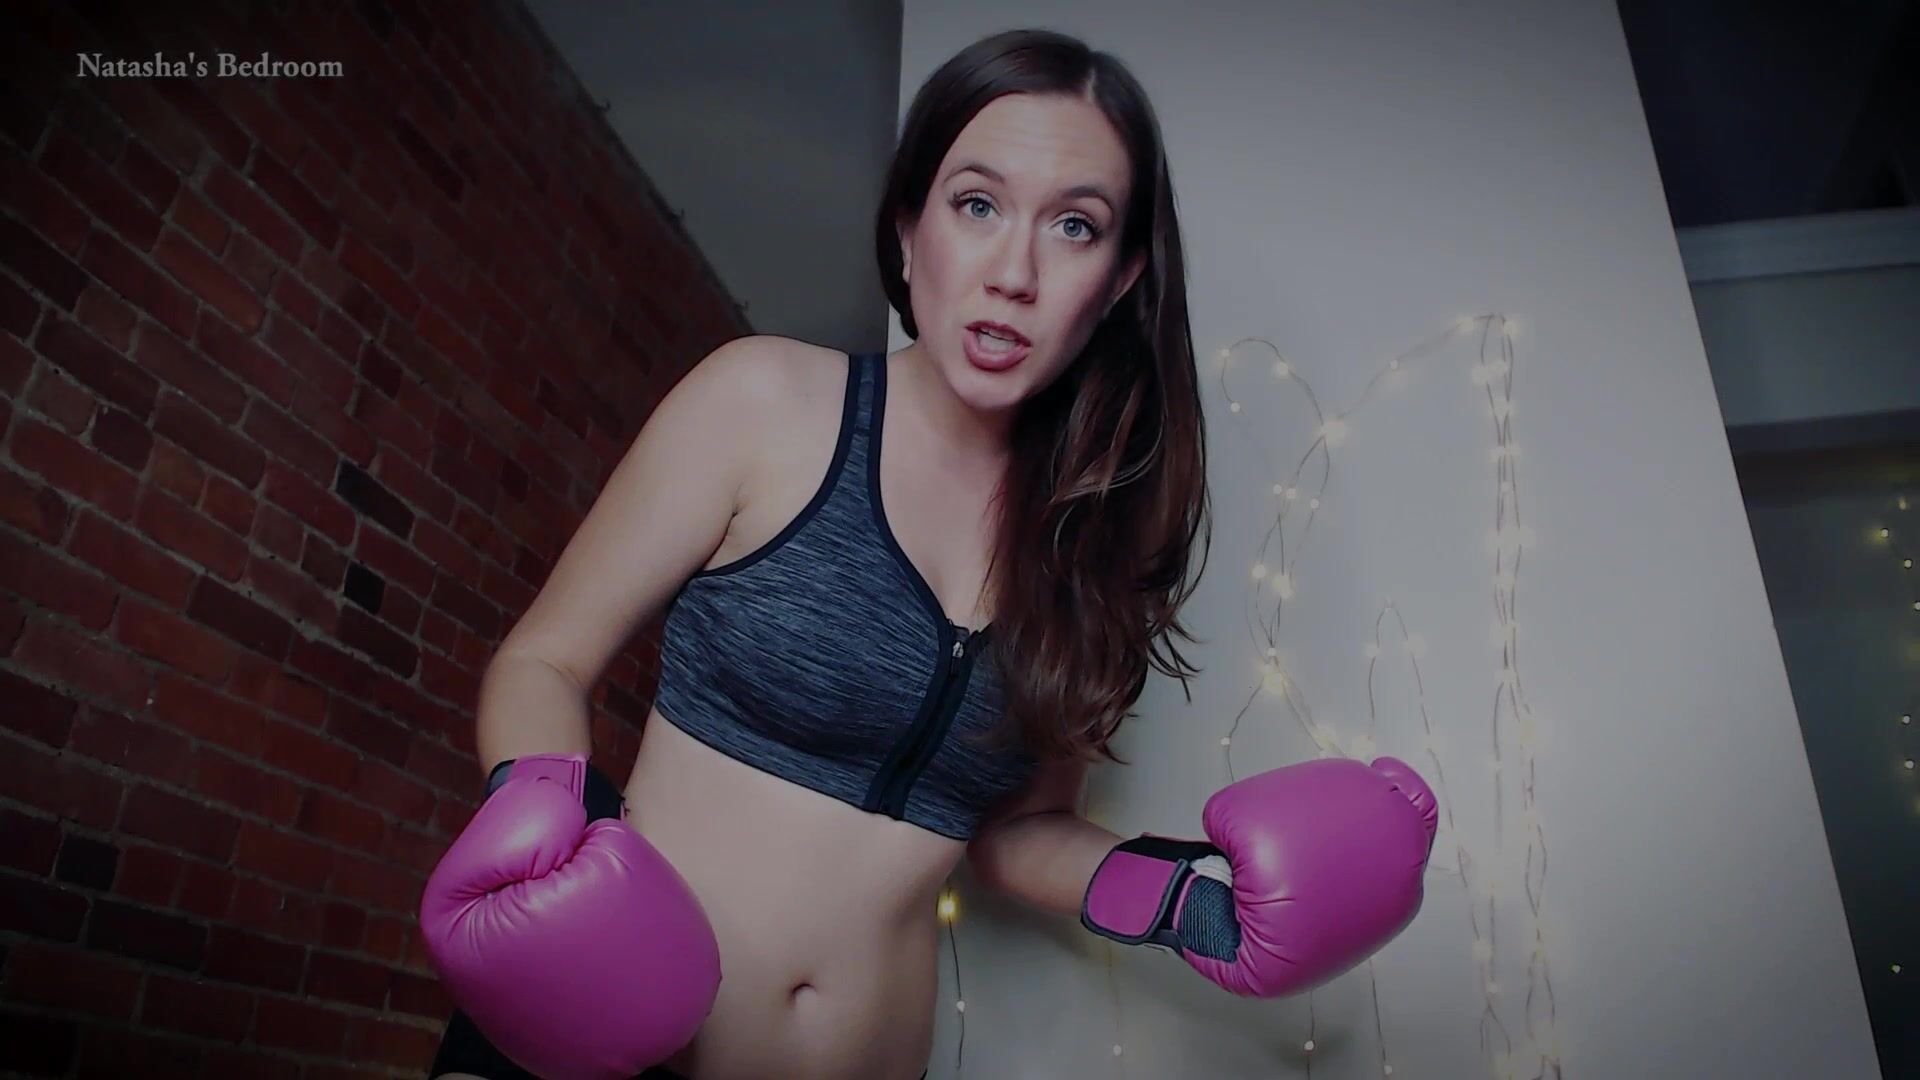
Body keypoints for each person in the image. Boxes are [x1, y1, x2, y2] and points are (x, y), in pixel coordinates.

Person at [418, 28, 1437, 1080]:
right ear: (910, 230)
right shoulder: (764, 402)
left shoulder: (1093, 549)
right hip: (602, 1028)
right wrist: (538, 806)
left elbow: (1019, 834)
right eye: (977, 204)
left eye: (1075, 226)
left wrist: (1189, 900)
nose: (1014, 273)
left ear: (1120, 278)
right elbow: (544, 660)